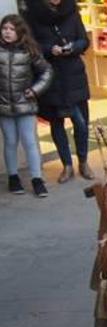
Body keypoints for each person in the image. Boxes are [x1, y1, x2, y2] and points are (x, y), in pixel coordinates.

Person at [24, 0, 93, 184]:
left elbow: (84, 40)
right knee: (57, 123)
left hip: (74, 74)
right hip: (51, 76)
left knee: (81, 123)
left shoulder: (71, 11)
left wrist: (73, 47)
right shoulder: (32, 15)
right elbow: (31, 46)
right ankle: (67, 165)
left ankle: (83, 161)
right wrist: (49, 49)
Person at [0, 14, 53, 197]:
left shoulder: (29, 50)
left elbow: (46, 71)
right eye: (4, 28)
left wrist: (35, 90)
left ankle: (37, 179)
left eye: (11, 29)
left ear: (19, 31)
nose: (7, 32)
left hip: (26, 105)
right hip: (4, 106)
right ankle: (13, 178)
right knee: (10, 142)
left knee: (29, 142)